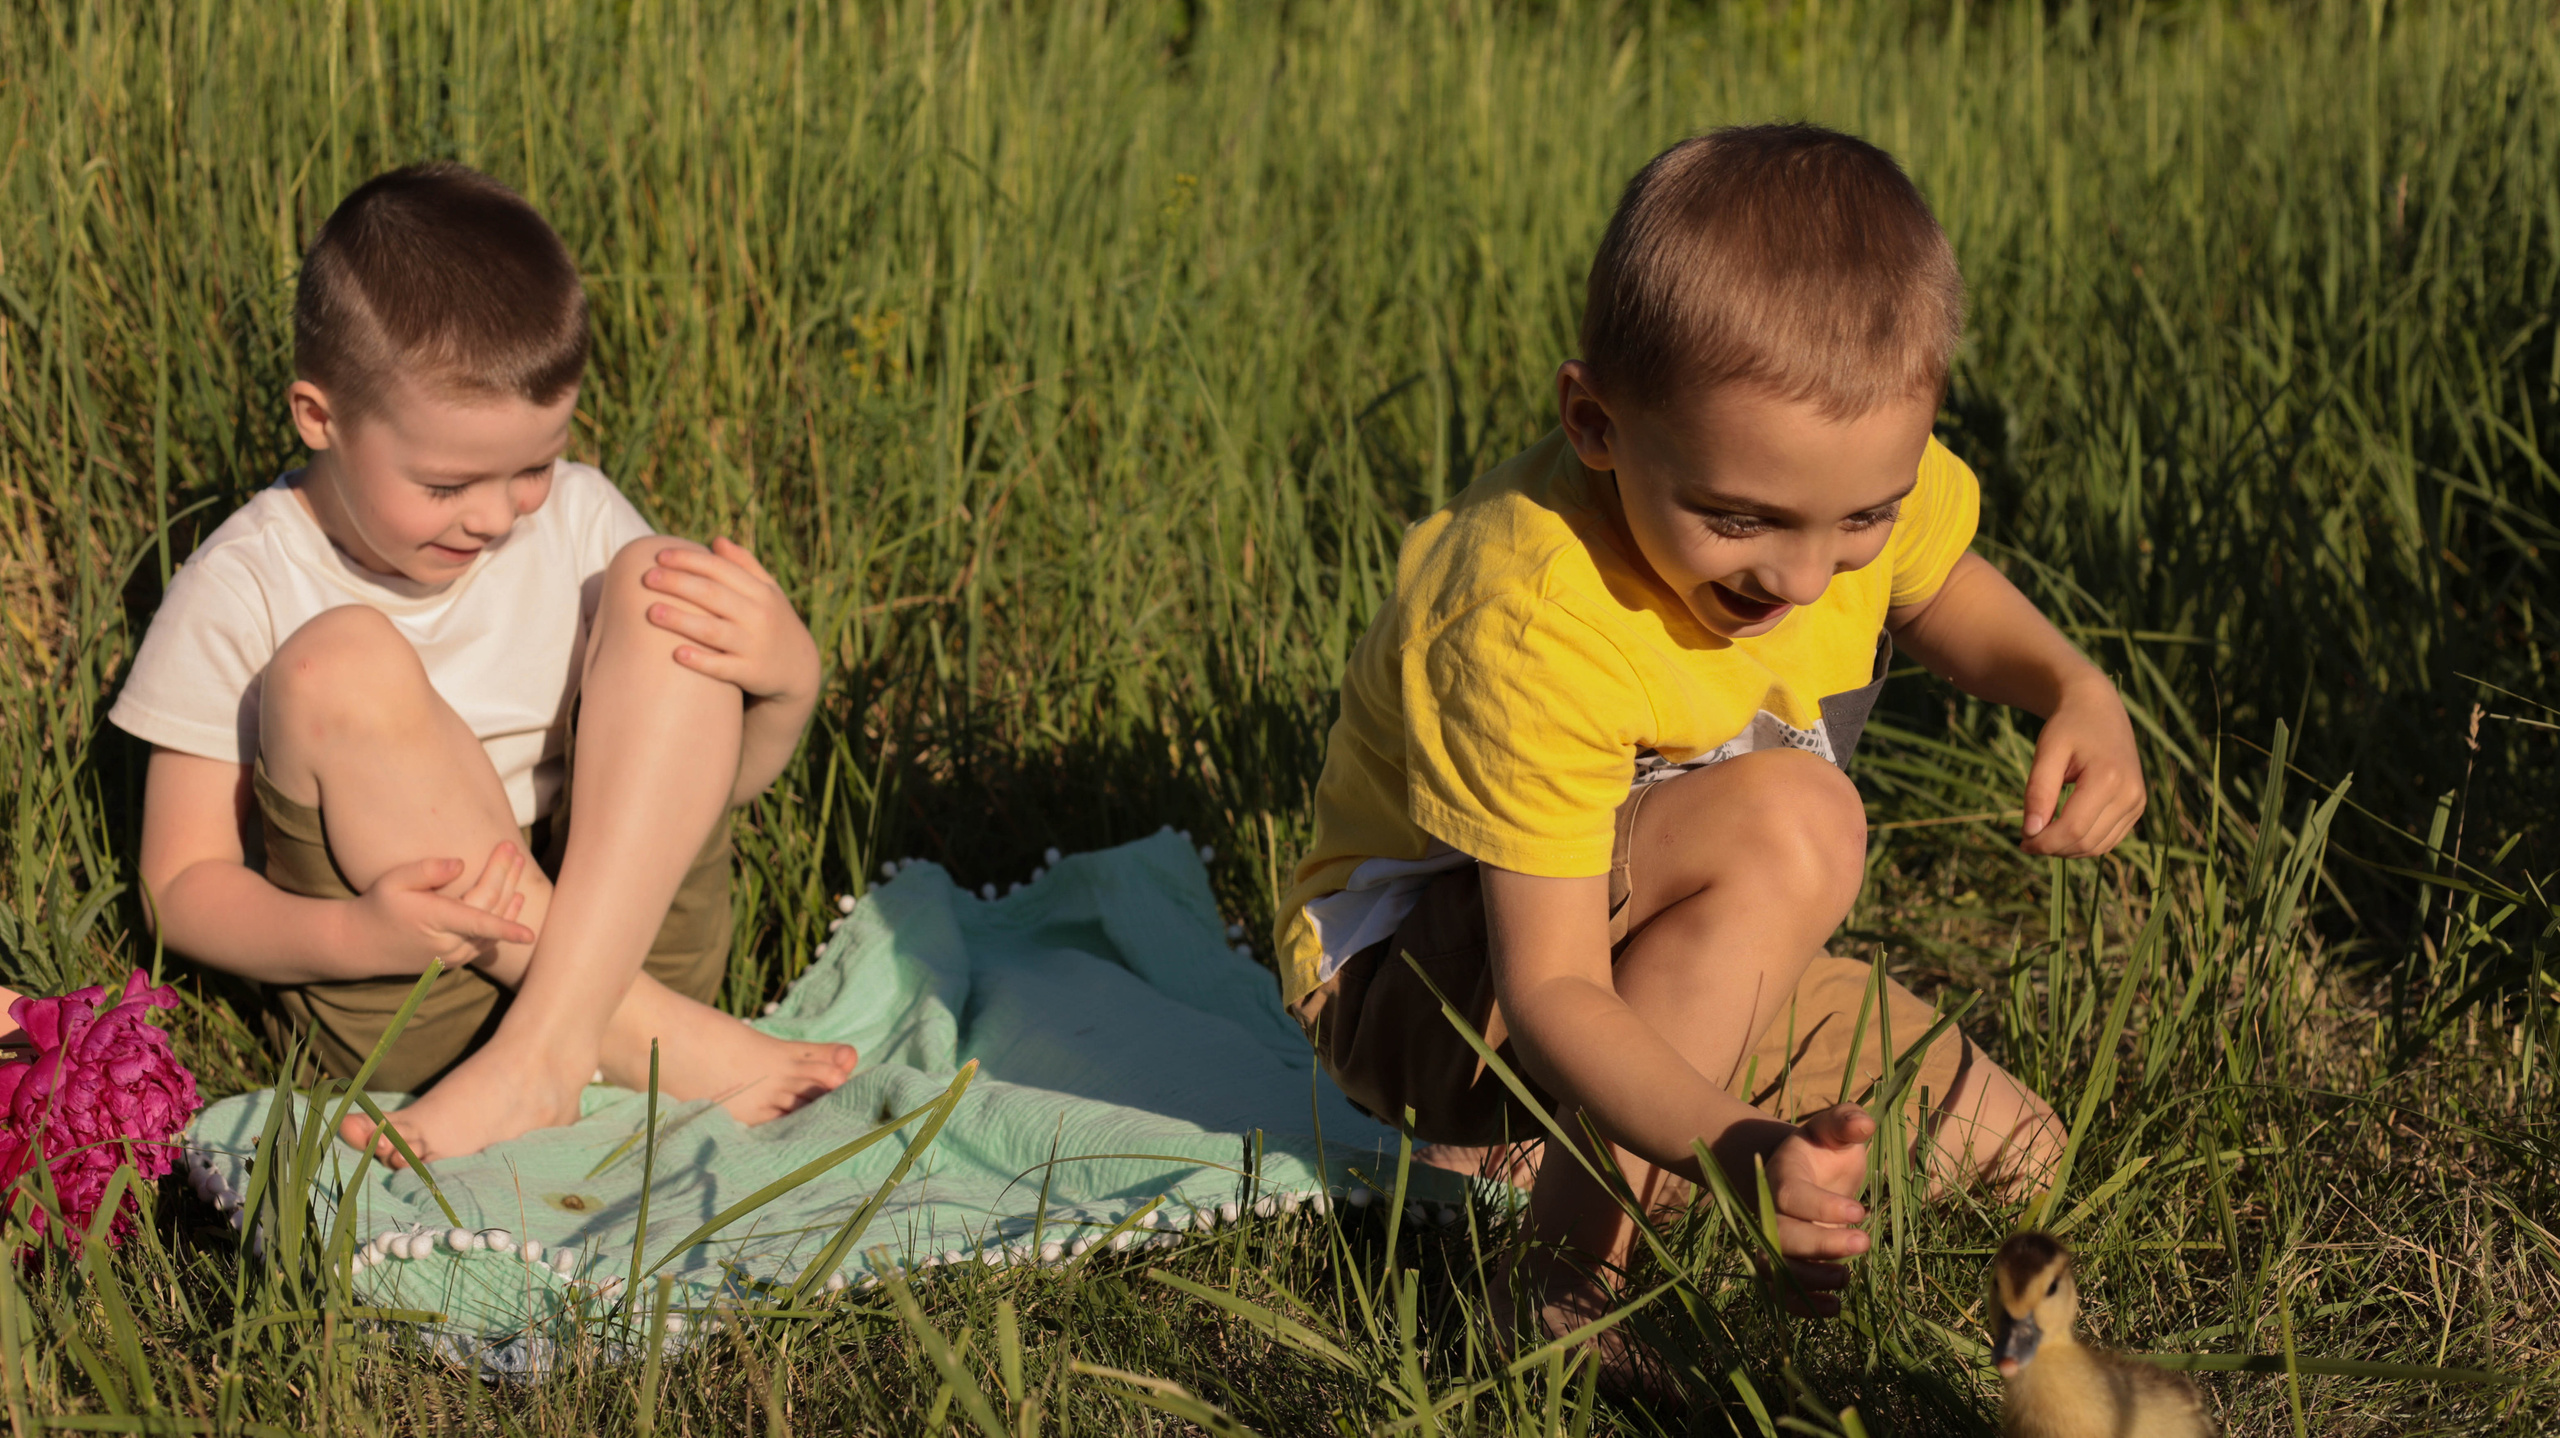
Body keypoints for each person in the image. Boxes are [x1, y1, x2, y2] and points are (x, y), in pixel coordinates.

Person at [1275, 125, 2141, 1355]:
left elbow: (1934, 577)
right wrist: (1731, 1145)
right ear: (1594, 422)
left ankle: (1550, 1146)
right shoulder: (1530, 615)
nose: (1801, 571)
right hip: (1433, 992)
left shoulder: (1837, 475)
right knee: (1794, 816)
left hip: (1659, 946)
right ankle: (1561, 1275)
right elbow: (1556, 982)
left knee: (2011, 1153)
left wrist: (2074, 685)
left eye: (1860, 516)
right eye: (1740, 518)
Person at [116, 163, 858, 1164]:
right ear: (319, 416)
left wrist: (786, 689)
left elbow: (697, 786)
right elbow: (181, 883)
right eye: (447, 482)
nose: (498, 514)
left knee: (658, 579)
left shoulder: (581, 522)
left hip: (634, 937)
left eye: (535, 466)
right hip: (418, 992)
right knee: (341, 660)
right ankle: (638, 1042)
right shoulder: (244, 582)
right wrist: (360, 939)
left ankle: (550, 1052)